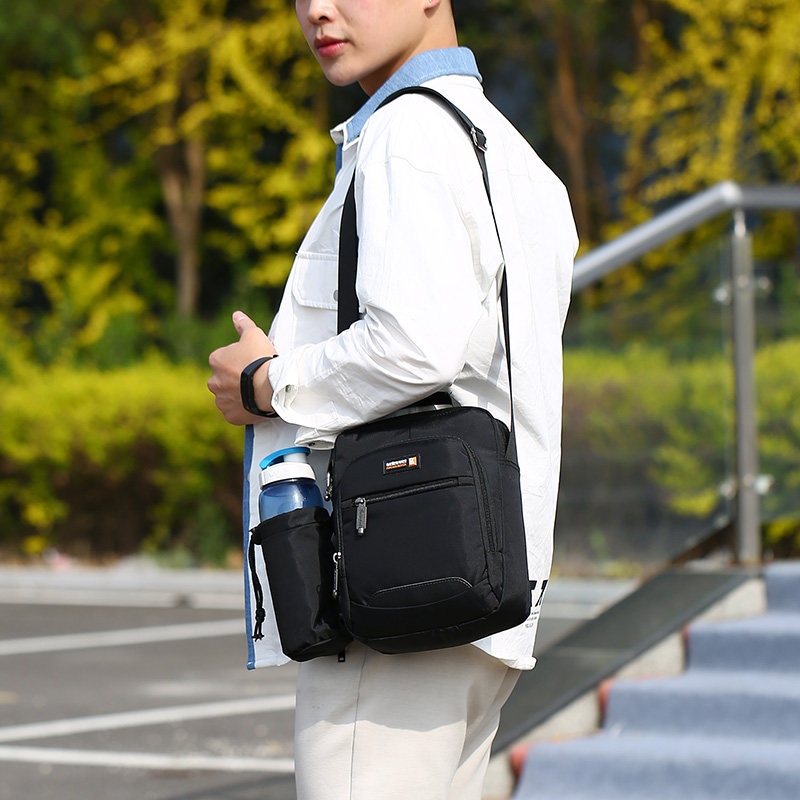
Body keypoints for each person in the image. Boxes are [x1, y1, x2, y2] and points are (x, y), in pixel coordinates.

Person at [207, 0, 578, 797]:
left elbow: (413, 346)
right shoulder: (517, 156)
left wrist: (264, 383)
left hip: (396, 592)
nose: (319, 9)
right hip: (484, 589)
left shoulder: (405, 136)